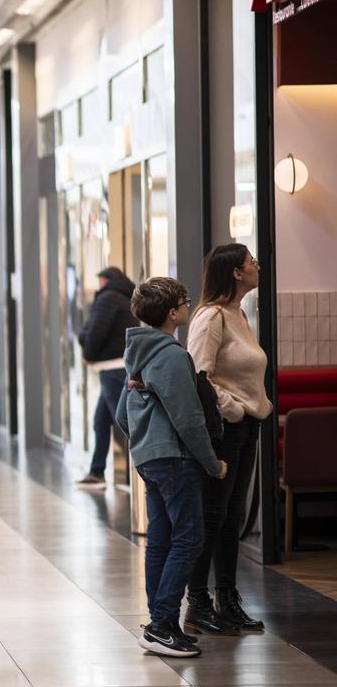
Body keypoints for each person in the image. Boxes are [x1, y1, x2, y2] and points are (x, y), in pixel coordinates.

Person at [116, 277, 227, 658]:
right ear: (172, 313)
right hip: (177, 459)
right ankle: (163, 624)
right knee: (190, 538)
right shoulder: (173, 356)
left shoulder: (136, 352)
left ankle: (159, 622)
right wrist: (212, 463)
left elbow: (121, 416)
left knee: (160, 540)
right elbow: (189, 418)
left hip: (149, 459)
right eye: (185, 301)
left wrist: (146, 441)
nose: (188, 305)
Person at [185, 244, 271, 634]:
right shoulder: (212, 316)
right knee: (213, 515)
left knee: (232, 515)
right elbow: (199, 376)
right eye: (251, 261)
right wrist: (232, 408)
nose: (257, 266)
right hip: (225, 428)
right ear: (236, 273)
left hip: (247, 423)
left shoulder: (238, 314)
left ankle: (227, 598)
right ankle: (198, 602)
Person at [76, 267, 139, 488]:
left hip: (111, 368)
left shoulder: (108, 298)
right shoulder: (126, 296)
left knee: (123, 421)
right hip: (120, 365)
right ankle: (97, 471)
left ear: (106, 280)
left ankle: (142, 473)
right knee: (100, 421)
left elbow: (94, 331)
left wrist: (87, 354)